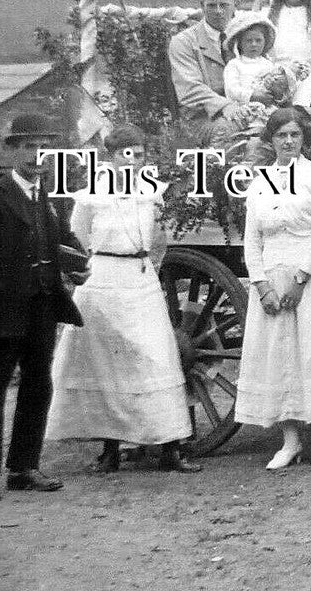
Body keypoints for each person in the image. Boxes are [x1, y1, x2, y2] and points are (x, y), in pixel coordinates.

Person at [44, 125, 201, 474]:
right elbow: (80, 233)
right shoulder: (92, 195)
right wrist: (105, 259)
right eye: (124, 154)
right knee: (107, 365)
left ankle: (169, 448)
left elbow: (159, 236)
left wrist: (146, 262)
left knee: (156, 359)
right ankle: (110, 450)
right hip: (103, 281)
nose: (132, 161)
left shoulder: (151, 192)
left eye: (139, 154)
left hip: (140, 280)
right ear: (111, 157)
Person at [0, 113, 89, 502]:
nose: (37, 155)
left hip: (42, 308)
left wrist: (78, 267)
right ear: (13, 150)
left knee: (39, 385)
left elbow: (62, 246)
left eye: (43, 148)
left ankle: (23, 468)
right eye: (28, 146)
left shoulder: (45, 199)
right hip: (3, 313)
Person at [234, 107, 311, 470]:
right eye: (281, 136)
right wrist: (262, 286)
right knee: (279, 356)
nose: (288, 142)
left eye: (295, 135)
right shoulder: (259, 183)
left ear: (304, 138)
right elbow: (251, 240)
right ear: (271, 141)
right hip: (272, 277)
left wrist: (302, 278)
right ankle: (289, 443)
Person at [168, 0, 241, 127]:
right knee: (226, 128)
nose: (218, 11)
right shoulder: (184, 42)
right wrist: (226, 106)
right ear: (202, 6)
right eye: (211, 5)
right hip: (203, 117)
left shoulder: (247, 36)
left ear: (236, 4)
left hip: (246, 108)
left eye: (224, 5)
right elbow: (190, 89)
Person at [222, 12, 287, 105]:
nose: (254, 44)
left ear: (265, 42)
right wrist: (252, 96)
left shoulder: (268, 64)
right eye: (249, 41)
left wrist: (276, 92)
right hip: (243, 108)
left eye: (258, 40)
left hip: (267, 106)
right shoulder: (234, 64)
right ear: (239, 43)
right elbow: (232, 90)